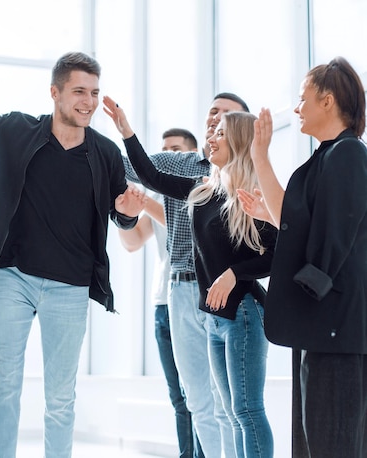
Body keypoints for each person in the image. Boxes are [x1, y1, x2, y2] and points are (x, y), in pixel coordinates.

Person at [0, 11, 145, 458]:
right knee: (4, 384)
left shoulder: (104, 153)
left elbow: (121, 217)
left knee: (60, 399)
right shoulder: (14, 129)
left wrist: (126, 215)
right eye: (79, 91)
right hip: (13, 279)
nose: (88, 101)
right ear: (55, 92)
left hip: (70, 287)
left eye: (95, 93)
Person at [105, 97, 277, 457]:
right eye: (212, 132)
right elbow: (151, 176)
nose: (210, 138)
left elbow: (278, 254)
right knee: (226, 412)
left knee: (245, 411)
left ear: (240, 143)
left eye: (220, 134)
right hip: (214, 318)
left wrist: (234, 274)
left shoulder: (254, 196)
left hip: (244, 314)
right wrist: (126, 131)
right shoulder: (203, 189)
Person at [238, 57, 367, 458]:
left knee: (332, 444)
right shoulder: (331, 156)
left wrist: (260, 157)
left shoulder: (347, 155)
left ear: (327, 101)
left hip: (337, 333)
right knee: (316, 442)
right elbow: (307, 230)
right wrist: (271, 213)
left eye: (302, 99)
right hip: (324, 330)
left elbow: (331, 243)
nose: (296, 110)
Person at [118, 128, 204, 458]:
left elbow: (184, 217)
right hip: (163, 302)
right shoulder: (153, 195)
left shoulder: (199, 187)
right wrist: (125, 214)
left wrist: (146, 202)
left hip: (194, 297)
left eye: (175, 151)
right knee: (178, 397)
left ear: (192, 156)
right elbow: (132, 242)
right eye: (162, 151)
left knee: (198, 393)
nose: (166, 158)